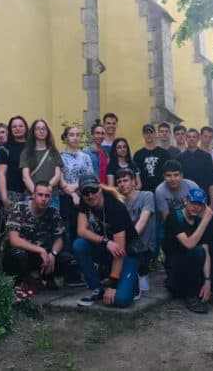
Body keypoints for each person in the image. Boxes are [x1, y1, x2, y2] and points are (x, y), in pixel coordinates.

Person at [73, 174, 140, 308]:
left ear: (100, 188)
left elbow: (119, 251)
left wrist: (112, 285)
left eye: (93, 190)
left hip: (126, 253)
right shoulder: (84, 201)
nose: (90, 195)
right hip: (107, 248)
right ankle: (96, 288)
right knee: (79, 245)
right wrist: (105, 242)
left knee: (121, 300)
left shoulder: (115, 207)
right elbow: (81, 230)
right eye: (86, 192)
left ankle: (131, 280)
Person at [3, 181, 69, 290]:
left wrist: (53, 254)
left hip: (43, 254)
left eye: (47, 196)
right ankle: (21, 281)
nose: (43, 199)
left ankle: (46, 277)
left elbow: (59, 238)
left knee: (66, 258)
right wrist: (40, 250)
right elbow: (14, 240)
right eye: (40, 195)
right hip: (23, 252)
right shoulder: (19, 208)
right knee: (18, 255)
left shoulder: (53, 212)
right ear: (33, 195)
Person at [162, 188, 213, 313]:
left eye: (199, 204)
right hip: (176, 269)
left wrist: (207, 281)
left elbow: (206, 252)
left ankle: (200, 288)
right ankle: (191, 296)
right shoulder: (175, 216)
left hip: (195, 269)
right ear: (186, 201)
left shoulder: (198, 221)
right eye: (193, 203)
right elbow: (189, 244)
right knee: (197, 251)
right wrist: (205, 220)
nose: (196, 207)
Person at [116, 169, 155, 297]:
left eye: (125, 180)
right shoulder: (118, 201)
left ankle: (142, 272)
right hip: (126, 245)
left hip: (143, 246)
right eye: (119, 182)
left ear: (133, 182)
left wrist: (124, 243)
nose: (122, 184)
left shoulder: (146, 195)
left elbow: (142, 222)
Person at [59, 125, 94, 246]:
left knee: (83, 229)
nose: (75, 138)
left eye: (78, 135)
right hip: (65, 198)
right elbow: (60, 180)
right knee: (67, 231)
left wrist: (75, 187)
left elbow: (90, 177)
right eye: (72, 135)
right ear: (66, 138)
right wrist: (73, 194)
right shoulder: (60, 156)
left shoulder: (86, 157)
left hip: (84, 197)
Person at [20, 119, 63, 205]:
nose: (41, 131)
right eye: (38, 128)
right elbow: (25, 177)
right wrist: (36, 193)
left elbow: (57, 175)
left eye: (44, 128)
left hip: (51, 195)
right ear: (33, 132)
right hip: (32, 195)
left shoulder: (54, 152)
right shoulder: (26, 153)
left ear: (47, 131)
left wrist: (47, 188)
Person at [177, 128, 213, 209]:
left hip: (203, 196)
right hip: (186, 197)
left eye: (194, 137)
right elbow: (178, 180)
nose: (191, 139)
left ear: (198, 139)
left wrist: (212, 202)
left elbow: (211, 180)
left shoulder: (206, 156)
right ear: (186, 139)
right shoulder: (180, 157)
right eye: (189, 137)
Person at [0, 116, 29, 210]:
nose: (17, 128)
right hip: (13, 194)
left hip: (33, 193)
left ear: (26, 128)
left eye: (21, 126)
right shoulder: (5, 149)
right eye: (14, 127)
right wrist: (4, 198)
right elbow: (1, 174)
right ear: (10, 130)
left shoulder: (33, 146)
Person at [133, 123, 171, 192]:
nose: (149, 135)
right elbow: (135, 174)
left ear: (155, 134)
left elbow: (169, 172)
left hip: (162, 190)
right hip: (144, 191)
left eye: (151, 132)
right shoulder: (138, 155)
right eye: (146, 133)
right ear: (143, 135)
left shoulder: (164, 153)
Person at [86, 120, 109, 184]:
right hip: (92, 186)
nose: (100, 136)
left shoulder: (105, 153)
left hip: (105, 186)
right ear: (92, 135)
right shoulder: (86, 153)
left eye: (102, 133)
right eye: (97, 133)